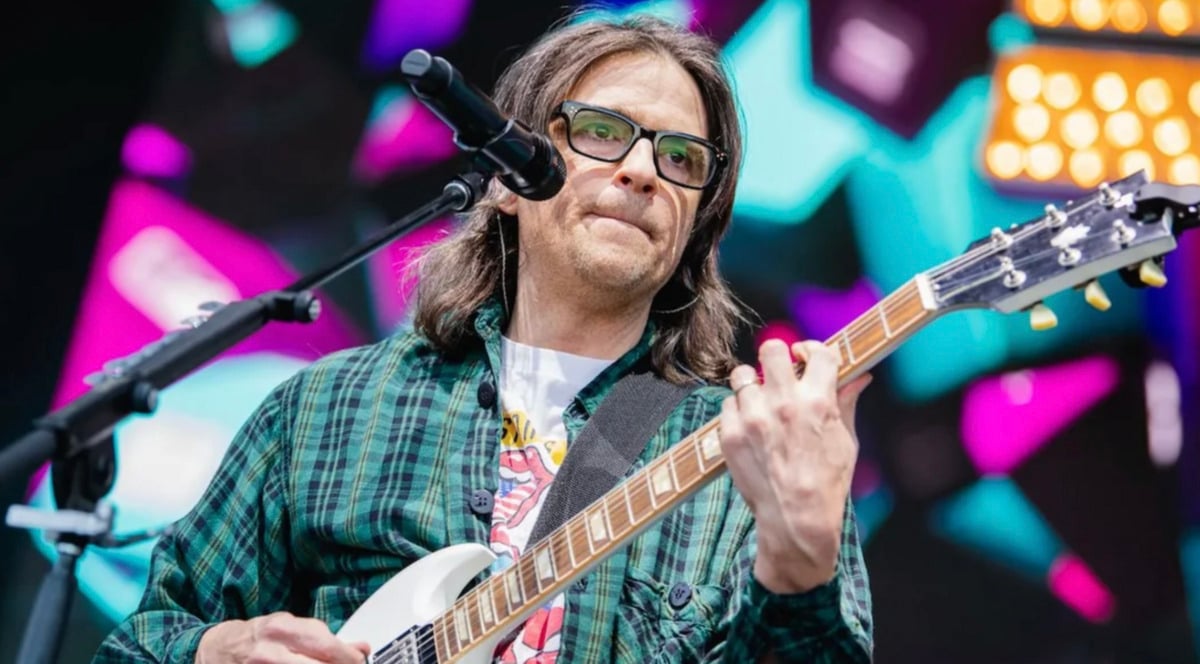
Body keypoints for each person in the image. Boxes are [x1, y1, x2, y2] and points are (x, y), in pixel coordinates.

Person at [94, 13, 873, 664]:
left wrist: (801, 562)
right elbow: (138, 644)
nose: (642, 171)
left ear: (695, 225)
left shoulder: (751, 455)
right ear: (508, 177)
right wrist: (216, 652)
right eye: (603, 131)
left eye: (679, 157)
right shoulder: (326, 410)